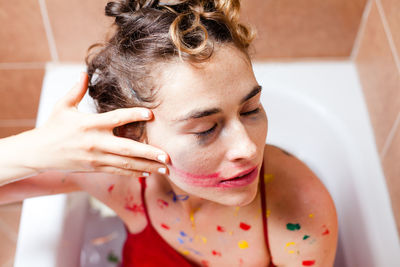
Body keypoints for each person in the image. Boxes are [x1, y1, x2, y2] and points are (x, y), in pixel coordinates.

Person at [0, 0, 338, 266]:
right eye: (206, 128)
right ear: (134, 133)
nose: (248, 149)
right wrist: (37, 148)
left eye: (251, 109)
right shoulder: (123, 183)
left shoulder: (298, 213)